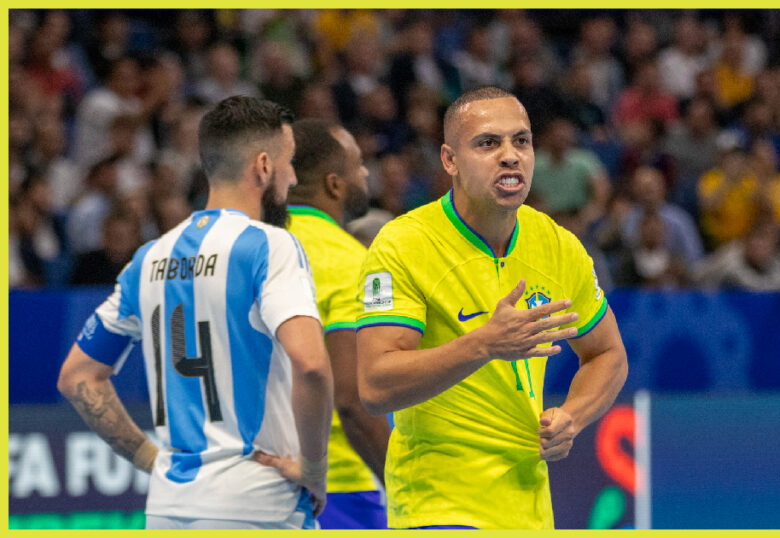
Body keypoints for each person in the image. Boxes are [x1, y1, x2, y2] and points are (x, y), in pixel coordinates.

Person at [355, 87, 628, 529]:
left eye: (521, 141)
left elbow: (608, 354)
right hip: (438, 505)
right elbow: (374, 385)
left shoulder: (559, 245)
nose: (510, 155)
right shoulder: (403, 244)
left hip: (530, 509)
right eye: (488, 143)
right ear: (449, 160)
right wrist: (483, 344)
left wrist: (573, 416)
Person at [56, 96, 333, 529]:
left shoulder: (148, 258)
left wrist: (149, 459)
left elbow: (77, 376)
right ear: (263, 165)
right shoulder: (269, 245)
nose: (293, 177)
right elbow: (312, 365)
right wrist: (315, 471)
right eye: (289, 162)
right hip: (257, 504)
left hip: (168, 508)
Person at [275, 118, 391, 529]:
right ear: (334, 185)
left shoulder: (251, 245)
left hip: (248, 484)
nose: (364, 174)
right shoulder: (352, 262)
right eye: (357, 165)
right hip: (337, 488)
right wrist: (402, 482)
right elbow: (352, 401)